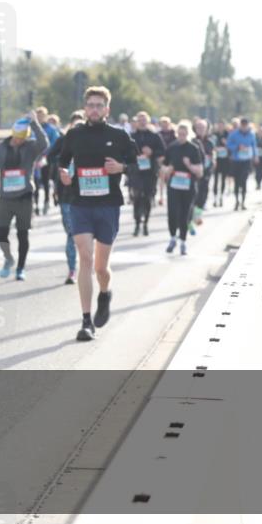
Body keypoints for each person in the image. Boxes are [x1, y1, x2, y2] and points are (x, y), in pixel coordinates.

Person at [58, 87, 137, 342]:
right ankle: (86, 321)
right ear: (85, 108)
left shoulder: (119, 135)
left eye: (99, 105)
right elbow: (61, 162)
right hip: (80, 204)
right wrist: (64, 174)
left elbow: (140, 165)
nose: (94, 109)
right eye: (90, 105)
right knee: (85, 258)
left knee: (102, 268)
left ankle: (105, 293)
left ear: (107, 109)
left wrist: (122, 167)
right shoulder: (74, 134)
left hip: (108, 205)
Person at [0, 113, 48, 281]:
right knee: (1, 235)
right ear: (13, 134)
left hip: (24, 197)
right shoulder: (0, 147)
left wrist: (34, 123)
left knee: (22, 234)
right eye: (17, 137)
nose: (19, 141)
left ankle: (20, 267)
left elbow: (44, 143)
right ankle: (8, 258)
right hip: (5, 198)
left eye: (22, 138)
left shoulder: (31, 147)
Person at [46, 110, 86, 284]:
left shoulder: (91, 142)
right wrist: (63, 165)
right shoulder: (63, 141)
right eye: (75, 126)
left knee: (83, 235)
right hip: (66, 195)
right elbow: (49, 156)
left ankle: (84, 266)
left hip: (88, 195)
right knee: (71, 233)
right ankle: (72, 269)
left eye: (81, 126)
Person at [161, 120, 204, 255]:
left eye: (184, 134)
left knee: (184, 214)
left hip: (188, 186)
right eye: (179, 134)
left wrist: (189, 165)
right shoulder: (171, 147)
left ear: (189, 134)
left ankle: (183, 242)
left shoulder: (193, 148)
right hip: (173, 185)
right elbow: (163, 167)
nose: (181, 137)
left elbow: (200, 171)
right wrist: (168, 169)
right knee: (172, 213)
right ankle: (172, 237)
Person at [126, 111, 166, 237]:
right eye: (140, 119)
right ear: (136, 122)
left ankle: (146, 223)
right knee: (137, 197)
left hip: (150, 172)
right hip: (136, 172)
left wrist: (152, 152)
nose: (142, 122)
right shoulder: (131, 136)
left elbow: (163, 152)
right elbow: (125, 153)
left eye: (144, 119)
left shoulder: (154, 136)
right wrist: (136, 154)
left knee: (148, 197)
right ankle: (137, 223)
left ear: (147, 121)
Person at [189, 118, 216, 232]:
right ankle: (189, 219)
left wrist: (213, 162)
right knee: (193, 196)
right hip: (194, 174)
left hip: (206, 173)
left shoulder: (210, 142)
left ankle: (197, 215)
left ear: (207, 130)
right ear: (195, 129)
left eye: (203, 128)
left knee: (203, 195)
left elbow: (212, 156)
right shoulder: (191, 141)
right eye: (199, 128)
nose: (201, 130)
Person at [226, 117, 258, 210]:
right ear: (240, 125)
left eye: (245, 125)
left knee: (244, 181)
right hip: (236, 160)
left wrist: (256, 156)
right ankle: (236, 201)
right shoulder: (234, 134)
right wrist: (237, 147)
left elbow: (254, 145)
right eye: (242, 125)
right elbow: (228, 145)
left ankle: (243, 202)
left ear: (248, 125)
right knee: (236, 181)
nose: (244, 127)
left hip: (246, 161)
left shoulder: (251, 134)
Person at [35, 106, 60, 216]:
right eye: (38, 116)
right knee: (34, 181)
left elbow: (55, 142)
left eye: (42, 116)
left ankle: (46, 201)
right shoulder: (33, 128)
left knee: (45, 181)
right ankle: (35, 204)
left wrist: (46, 154)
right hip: (35, 159)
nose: (40, 118)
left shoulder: (51, 129)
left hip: (47, 158)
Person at [212, 120, 231, 207]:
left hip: (225, 160)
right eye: (219, 125)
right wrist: (216, 149)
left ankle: (221, 197)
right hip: (217, 159)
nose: (220, 127)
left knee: (223, 179)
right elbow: (211, 146)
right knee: (215, 179)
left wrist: (226, 143)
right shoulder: (214, 134)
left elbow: (231, 146)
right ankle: (215, 198)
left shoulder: (228, 134)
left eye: (222, 125)